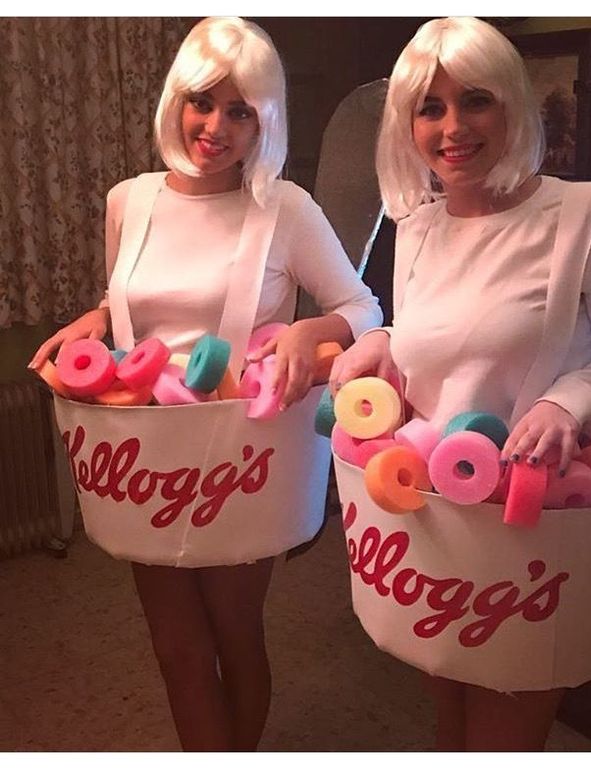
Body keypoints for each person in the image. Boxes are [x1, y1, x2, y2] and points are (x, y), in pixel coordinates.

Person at [29, 16, 381, 752]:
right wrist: (95, 318)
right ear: (175, 101)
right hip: (146, 457)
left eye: (241, 110)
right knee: (175, 649)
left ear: (265, 123)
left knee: (234, 635)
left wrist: (306, 331)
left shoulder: (284, 208)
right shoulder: (130, 200)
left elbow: (361, 307)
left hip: (241, 456)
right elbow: (134, 301)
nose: (214, 125)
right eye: (202, 101)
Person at [329, 16, 591, 752]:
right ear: (407, 125)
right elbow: (439, 339)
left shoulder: (583, 214)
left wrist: (567, 399)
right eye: (430, 107)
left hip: (538, 520)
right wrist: (383, 341)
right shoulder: (417, 228)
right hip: (436, 516)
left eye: (475, 100)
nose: (453, 127)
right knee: (449, 716)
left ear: (513, 104)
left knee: (503, 740)